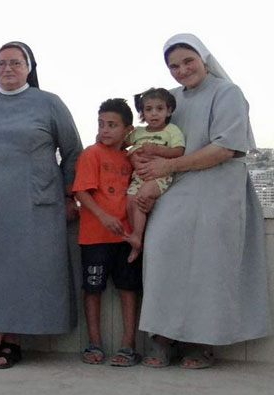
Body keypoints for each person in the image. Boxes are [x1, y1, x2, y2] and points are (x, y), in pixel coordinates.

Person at [134, 34, 271, 369]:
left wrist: (169, 166)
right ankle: (163, 336)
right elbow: (155, 140)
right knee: (161, 252)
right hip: (176, 191)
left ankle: (201, 342)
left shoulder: (228, 93)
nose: (182, 70)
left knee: (210, 266)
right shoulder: (170, 99)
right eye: (174, 66)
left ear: (204, 58)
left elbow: (226, 148)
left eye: (188, 61)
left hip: (219, 192)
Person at [0, 41, 82, 369]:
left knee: (25, 270)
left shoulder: (49, 103)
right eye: (1, 63)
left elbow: (73, 151)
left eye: (15, 62)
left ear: (29, 67)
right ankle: (9, 343)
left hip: (35, 205)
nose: (8, 69)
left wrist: (69, 195)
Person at [72, 99, 141, 367]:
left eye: (112, 125)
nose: (105, 130)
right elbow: (81, 191)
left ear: (128, 129)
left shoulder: (131, 158)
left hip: (125, 236)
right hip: (94, 237)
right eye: (101, 124)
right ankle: (94, 343)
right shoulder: (91, 154)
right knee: (93, 290)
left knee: (128, 289)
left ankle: (128, 345)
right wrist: (103, 216)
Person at [124, 88, 184, 255]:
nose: (154, 113)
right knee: (130, 201)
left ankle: (137, 236)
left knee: (141, 197)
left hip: (159, 176)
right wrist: (132, 155)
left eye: (159, 108)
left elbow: (179, 151)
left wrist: (157, 150)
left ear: (169, 111)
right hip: (138, 176)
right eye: (149, 109)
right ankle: (136, 237)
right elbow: (121, 144)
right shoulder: (138, 132)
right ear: (143, 113)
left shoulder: (171, 130)